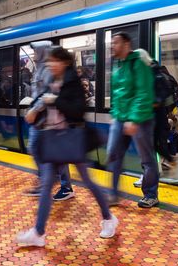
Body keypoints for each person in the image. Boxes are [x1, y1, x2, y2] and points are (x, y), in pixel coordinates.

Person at [17, 46, 118, 247]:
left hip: (72, 138)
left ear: (64, 62)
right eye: (49, 62)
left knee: (88, 181)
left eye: (54, 61)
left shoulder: (73, 82)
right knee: (46, 185)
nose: (50, 65)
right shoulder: (53, 81)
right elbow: (44, 102)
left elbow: (77, 110)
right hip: (53, 139)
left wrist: (55, 100)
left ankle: (109, 218)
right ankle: (38, 232)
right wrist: (36, 110)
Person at [106, 32, 160, 209]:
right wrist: (115, 115)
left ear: (126, 44)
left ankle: (151, 195)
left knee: (146, 159)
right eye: (112, 43)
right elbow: (116, 93)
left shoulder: (139, 63)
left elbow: (144, 93)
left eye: (115, 43)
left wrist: (134, 119)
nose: (112, 46)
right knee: (113, 154)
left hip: (140, 119)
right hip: (120, 118)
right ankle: (113, 194)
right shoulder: (118, 65)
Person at [25, 42, 74, 201]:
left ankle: (65, 186)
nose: (33, 54)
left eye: (35, 51)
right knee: (36, 149)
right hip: (41, 119)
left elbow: (47, 94)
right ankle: (46, 182)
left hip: (49, 118)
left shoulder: (47, 70)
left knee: (52, 153)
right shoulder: (39, 68)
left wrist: (35, 109)